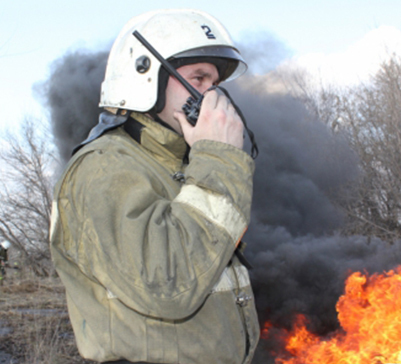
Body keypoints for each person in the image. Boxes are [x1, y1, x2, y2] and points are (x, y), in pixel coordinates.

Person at [50, 9, 259, 364]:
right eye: (199, 77)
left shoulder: (185, 167)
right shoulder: (105, 168)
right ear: (146, 76)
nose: (212, 96)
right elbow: (169, 285)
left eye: (216, 83)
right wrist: (220, 158)